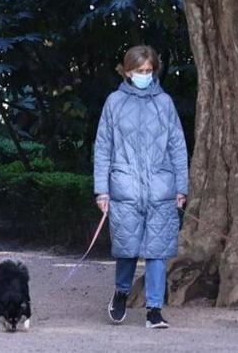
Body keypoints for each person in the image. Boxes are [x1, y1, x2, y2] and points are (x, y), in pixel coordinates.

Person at [93, 45, 189, 329]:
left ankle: (154, 310)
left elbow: (177, 147)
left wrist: (181, 188)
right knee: (127, 249)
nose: (145, 75)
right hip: (125, 188)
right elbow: (103, 148)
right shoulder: (114, 102)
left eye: (149, 71)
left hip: (161, 188)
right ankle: (121, 292)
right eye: (139, 71)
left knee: (158, 252)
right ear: (127, 71)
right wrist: (102, 190)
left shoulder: (165, 103)